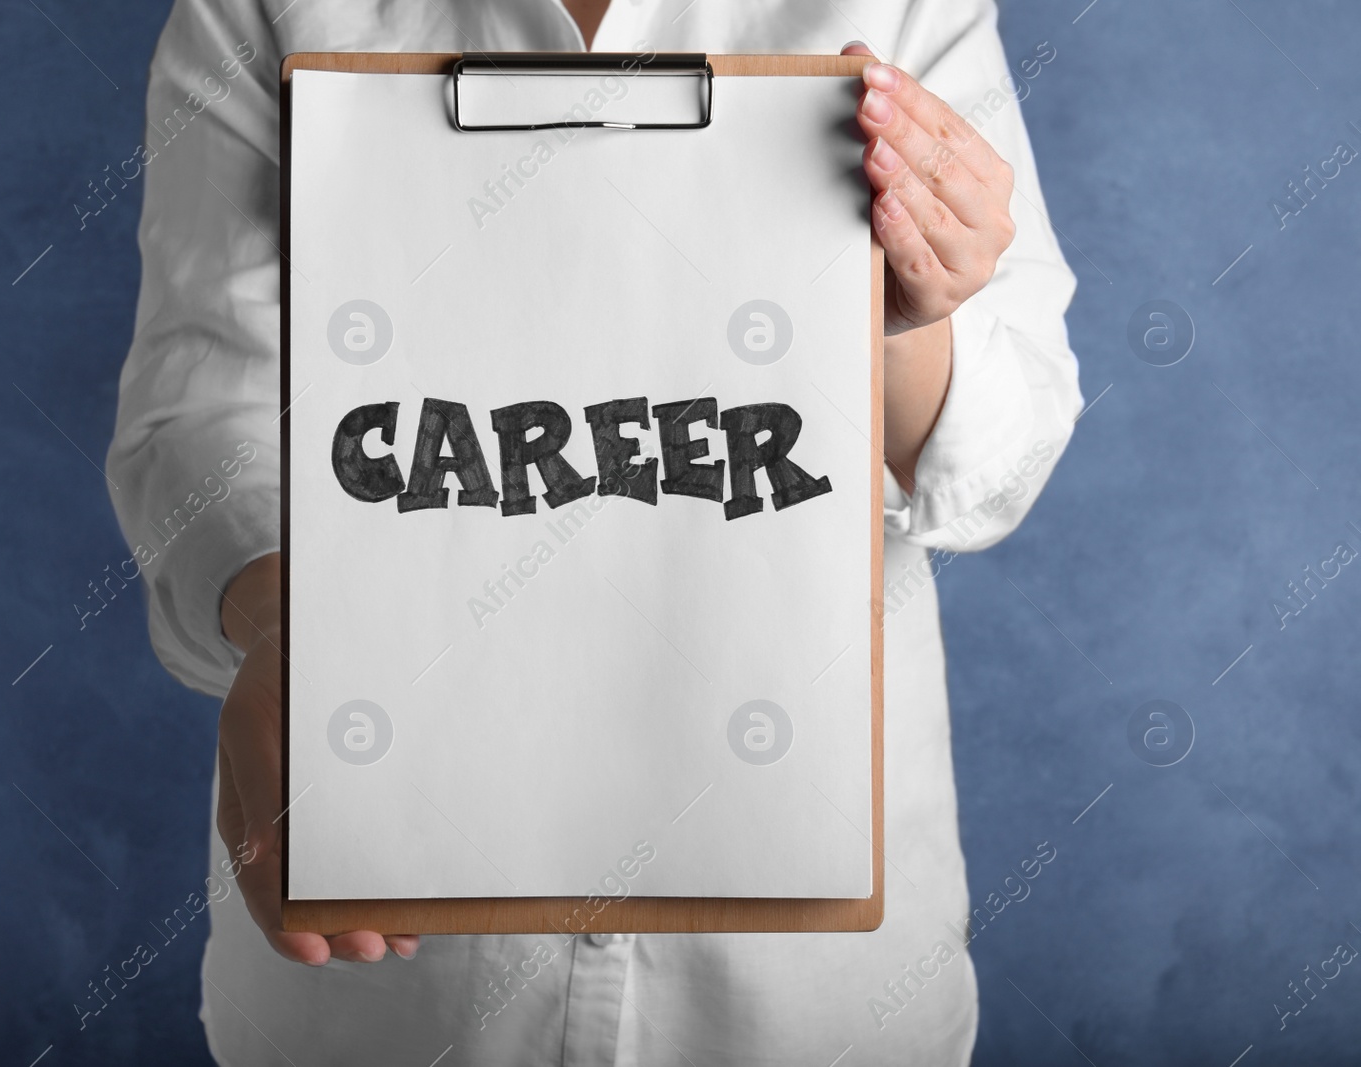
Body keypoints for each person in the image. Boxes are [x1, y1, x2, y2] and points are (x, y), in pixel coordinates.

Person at [106, 0, 1082, 1062]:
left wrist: (907, 314)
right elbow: (202, 408)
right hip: (395, 986)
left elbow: (1004, 455)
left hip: (808, 992)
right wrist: (298, 625)